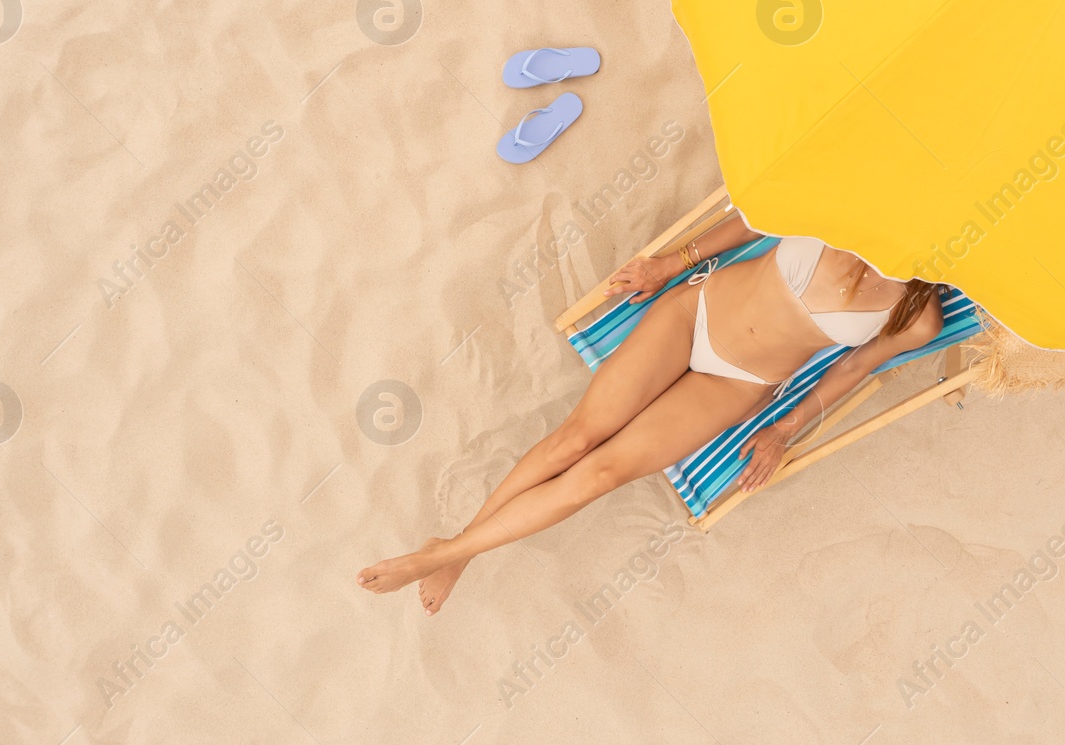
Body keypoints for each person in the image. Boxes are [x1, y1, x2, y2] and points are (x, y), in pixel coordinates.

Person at [356, 212, 944, 613]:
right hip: (695, 314)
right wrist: (671, 263)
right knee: (576, 440)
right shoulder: (844, 210)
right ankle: (454, 551)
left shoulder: (919, 317)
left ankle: (448, 552)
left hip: (737, 382)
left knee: (600, 473)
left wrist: (783, 431)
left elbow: (853, 368)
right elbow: (755, 218)